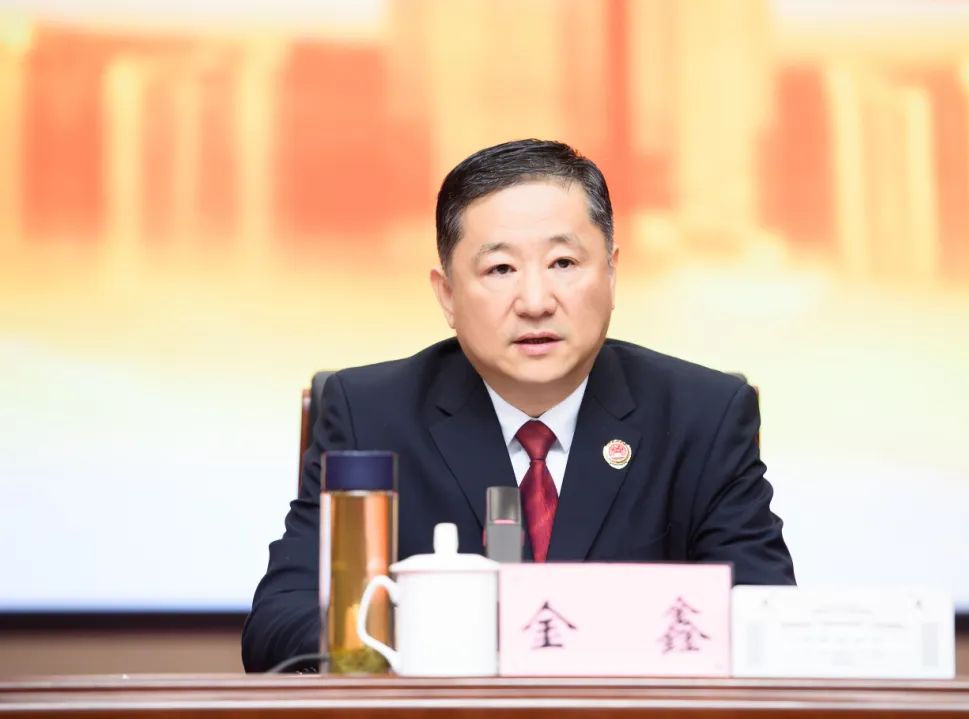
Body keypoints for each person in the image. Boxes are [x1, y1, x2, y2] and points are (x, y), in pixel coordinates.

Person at [242, 139, 795, 672]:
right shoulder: (369, 414)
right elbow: (278, 625)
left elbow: (766, 620)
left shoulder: (702, 416)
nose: (535, 302)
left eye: (563, 263)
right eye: (500, 269)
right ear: (448, 295)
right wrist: (435, 632)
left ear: (611, 273)